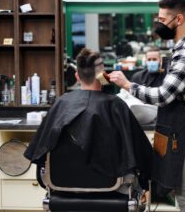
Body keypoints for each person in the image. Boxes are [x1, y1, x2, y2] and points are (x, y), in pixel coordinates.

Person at [110, 0, 185, 212]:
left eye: (163, 20)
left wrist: (127, 84)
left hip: (182, 130)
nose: (159, 24)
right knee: (179, 190)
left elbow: (163, 96)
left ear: (179, 19)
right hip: (175, 127)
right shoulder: (181, 47)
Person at [24, 48, 153, 192]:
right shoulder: (116, 105)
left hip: (63, 186)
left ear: (77, 76)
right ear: (103, 76)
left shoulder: (61, 104)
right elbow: (143, 156)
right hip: (112, 188)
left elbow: (40, 153)